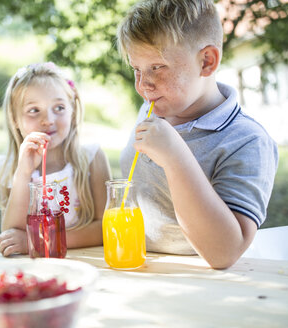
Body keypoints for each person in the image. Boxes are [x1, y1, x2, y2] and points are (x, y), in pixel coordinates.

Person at [116, 0, 278, 269]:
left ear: (206, 61)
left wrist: (175, 156)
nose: (143, 84)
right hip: (138, 269)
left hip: (204, 282)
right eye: (137, 69)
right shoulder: (151, 109)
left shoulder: (248, 141)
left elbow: (225, 252)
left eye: (157, 67)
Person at [0, 62, 111, 257]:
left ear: (73, 111)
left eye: (59, 107)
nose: (48, 120)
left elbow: (105, 227)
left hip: (90, 263)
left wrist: (40, 241)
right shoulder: (10, 167)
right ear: (15, 119)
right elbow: (11, 232)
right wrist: (24, 173)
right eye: (34, 110)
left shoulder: (92, 158)